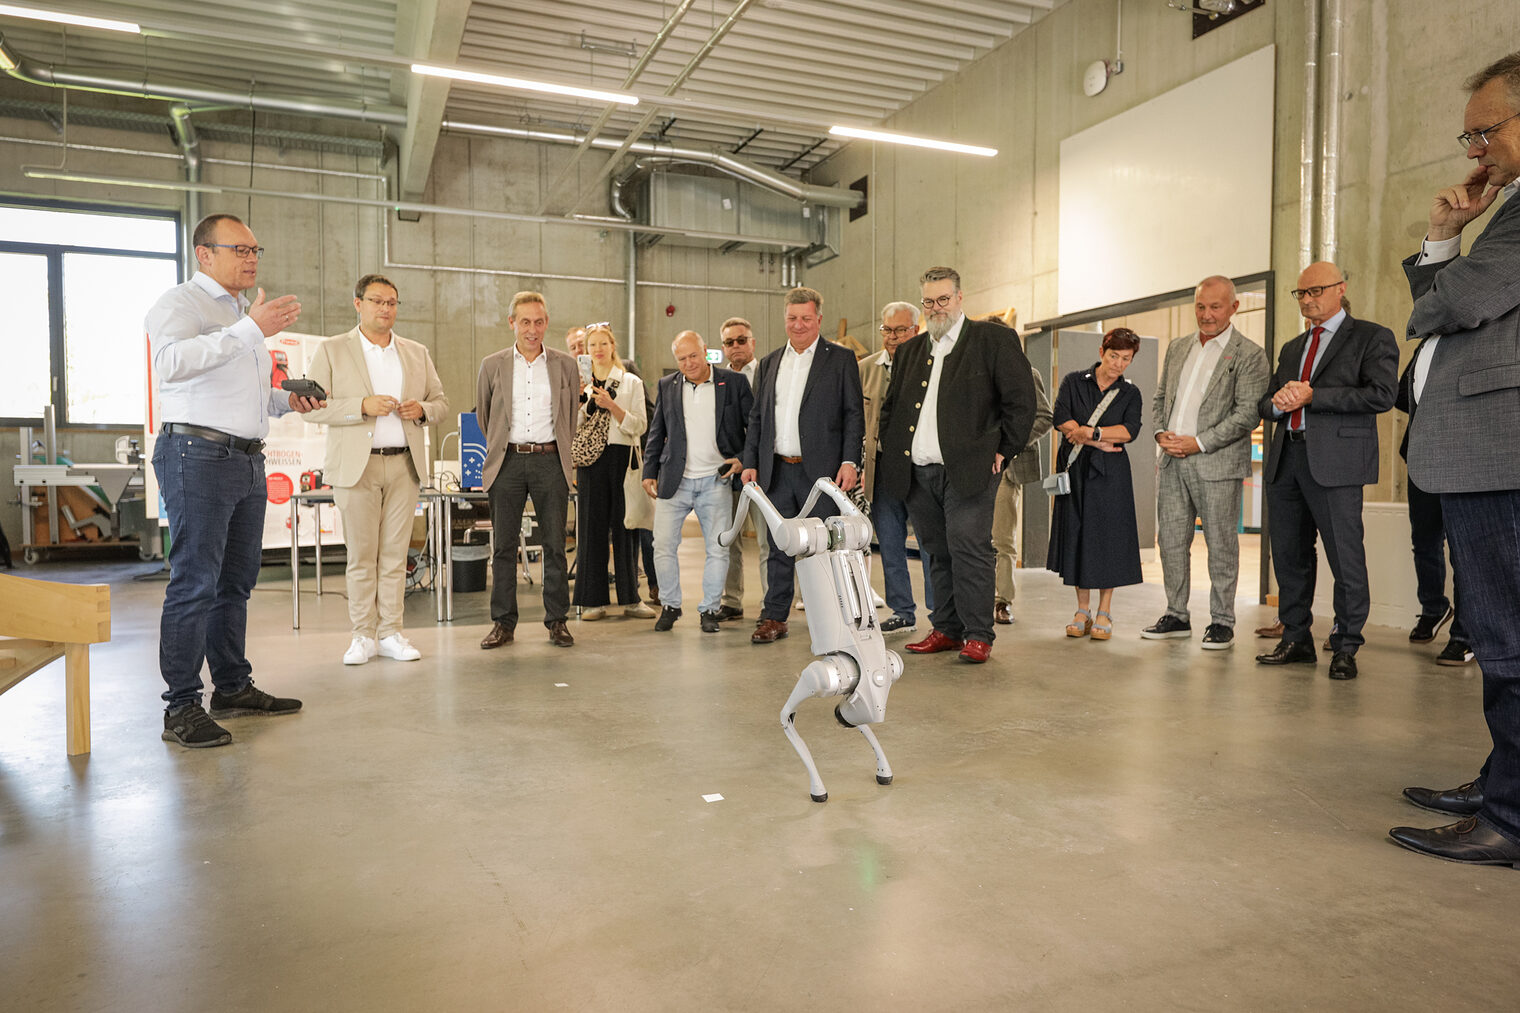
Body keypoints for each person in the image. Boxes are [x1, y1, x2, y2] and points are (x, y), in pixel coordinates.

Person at [1390, 51, 1520, 866]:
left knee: (1507, 643)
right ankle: (1501, 780)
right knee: (1501, 637)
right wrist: (1448, 239)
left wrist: (1443, 247)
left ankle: (1509, 817)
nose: (1476, 151)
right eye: (1468, 134)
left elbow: (1453, 305)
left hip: (1497, 454)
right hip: (1479, 453)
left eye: (1488, 131)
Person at [146, 213, 318, 748]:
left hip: (245, 460)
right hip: (195, 454)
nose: (251, 258)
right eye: (239, 249)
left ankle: (232, 686)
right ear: (204, 254)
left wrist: (286, 400)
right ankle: (180, 709)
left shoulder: (243, 314)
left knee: (235, 583)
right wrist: (250, 330)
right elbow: (171, 364)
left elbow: (240, 392)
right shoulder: (180, 304)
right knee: (194, 582)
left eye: (255, 249)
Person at [876, 267, 1037, 663]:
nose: (936, 308)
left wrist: (1005, 449)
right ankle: (946, 628)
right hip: (919, 471)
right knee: (936, 550)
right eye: (928, 302)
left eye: (943, 299)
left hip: (969, 470)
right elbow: (893, 406)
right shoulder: (912, 349)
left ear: (960, 298)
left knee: (969, 548)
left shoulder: (992, 339)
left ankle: (978, 634)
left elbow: (1021, 402)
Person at [1253, 263, 1397, 680]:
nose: (1307, 299)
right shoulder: (1292, 348)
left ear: (1340, 290)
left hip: (1337, 465)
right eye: (1300, 294)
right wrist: (1278, 403)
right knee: (1290, 557)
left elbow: (1381, 395)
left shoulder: (1371, 337)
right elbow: (1267, 405)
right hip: (1287, 461)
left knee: (1345, 558)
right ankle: (1296, 638)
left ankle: (1346, 645)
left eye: (1315, 290)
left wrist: (1314, 396)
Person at [305, 274, 448, 666]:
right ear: (358, 304)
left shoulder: (416, 352)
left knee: (395, 555)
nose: (386, 309)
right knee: (361, 555)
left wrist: (423, 410)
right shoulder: (333, 350)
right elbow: (310, 407)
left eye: (392, 302)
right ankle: (362, 635)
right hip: (357, 467)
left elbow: (440, 402)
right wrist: (361, 406)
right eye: (377, 301)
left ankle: (391, 633)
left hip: (404, 463)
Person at [1142, 276, 1270, 650]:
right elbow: (1161, 397)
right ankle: (1176, 615)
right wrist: (1160, 433)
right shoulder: (1179, 347)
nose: (1207, 314)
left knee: (1221, 544)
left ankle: (1222, 621)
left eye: (1215, 307)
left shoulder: (1248, 354)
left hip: (1216, 464)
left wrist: (1198, 443)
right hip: (1171, 462)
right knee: (1171, 542)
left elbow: (1248, 414)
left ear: (1234, 307)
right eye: (1201, 306)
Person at [740, 287, 865, 644]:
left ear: (819, 320)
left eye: (806, 318)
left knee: (826, 546)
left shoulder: (840, 360)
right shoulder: (769, 363)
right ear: (785, 319)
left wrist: (849, 461)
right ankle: (774, 617)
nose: (798, 325)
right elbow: (758, 418)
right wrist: (751, 462)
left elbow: (853, 414)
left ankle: (834, 618)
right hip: (776, 470)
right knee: (780, 547)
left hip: (823, 474)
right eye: (792, 318)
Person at [476, 291, 578, 650]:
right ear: (512, 323)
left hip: (551, 461)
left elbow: (570, 417)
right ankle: (503, 623)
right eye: (525, 322)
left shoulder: (566, 365)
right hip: (507, 463)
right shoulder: (492, 364)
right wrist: (506, 447)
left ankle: (557, 621)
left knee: (554, 545)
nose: (532, 329)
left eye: (538, 321)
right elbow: (485, 416)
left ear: (546, 323)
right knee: (504, 547)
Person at [643, 331, 754, 632]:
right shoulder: (667, 386)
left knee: (718, 548)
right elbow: (657, 432)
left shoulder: (733, 383)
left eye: (694, 355)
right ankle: (670, 605)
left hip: (715, 480)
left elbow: (753, 425)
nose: (689, 363)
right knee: (663, 545)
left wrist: (745, 457)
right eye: (682, 358)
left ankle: (709, 610)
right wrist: (648, 471)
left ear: (706, 351)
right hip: (674, 481)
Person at [1046, 328, 1144, 643]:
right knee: (1077, 534)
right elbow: (1060, 415)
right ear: (1102, 351)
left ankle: (1105, 610)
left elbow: (1129, 431)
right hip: (1075, 470)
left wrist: (1092, 435)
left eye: (1125, 359)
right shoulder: (1075, 381)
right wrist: (1093, 436)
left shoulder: (1131, 393)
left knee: (1107, 538)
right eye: (1113, 356)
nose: (1118, 364)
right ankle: (1082, 610)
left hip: (1110, 474)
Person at [860, 300, 934, 634]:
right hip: (882, 472)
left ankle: (939, 612)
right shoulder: (865, 368)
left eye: (900, 330)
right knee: (889, 544)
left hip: (921, 471)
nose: (892, 337)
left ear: (915, 330)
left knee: (931, 545)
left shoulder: (933, 366)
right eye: (887, 330)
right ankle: (902, 610)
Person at [1394, 351, 1472, 666]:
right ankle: (1433, 607)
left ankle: (1465, 635)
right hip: (1422, 455)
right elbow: (1401, 395)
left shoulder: (1476, 342)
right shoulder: (1426, 346)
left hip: (1466, 457)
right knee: (1424, 541)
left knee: (1463, 550)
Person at [571, 323, 653, 621]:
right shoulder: (584, 384)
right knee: (591, 530)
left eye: (603, 344)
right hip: (591, 460)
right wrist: (585, 403)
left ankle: (631, 598)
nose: (598, 350)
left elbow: (640, 425)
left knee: (626, 528)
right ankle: (592, 600)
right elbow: (574, 426)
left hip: (621, 458)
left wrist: (612, 406)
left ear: (612, 346)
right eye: (592, 346)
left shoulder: (630, 382)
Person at [983, 309, 1053, 627]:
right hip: (969, 470)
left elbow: (1043, 417)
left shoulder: (1027, 373)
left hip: (1005, 470)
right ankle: (973, 599)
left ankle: (1002, 601)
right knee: (968, 538)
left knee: (1001, 539)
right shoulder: (967, 377)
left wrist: (1006, 446)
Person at [717, 316, 767, 621]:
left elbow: (769, 427)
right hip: (729, 474)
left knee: (767, 542)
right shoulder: (719, 380)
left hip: (763, 472)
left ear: (752, 342)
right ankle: (731, 602)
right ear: (723, 347)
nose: (736, 346)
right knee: (728, 541)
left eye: (741, 340)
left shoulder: (768, 373)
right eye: (729, 342)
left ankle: (772, 606)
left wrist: (749, 459)